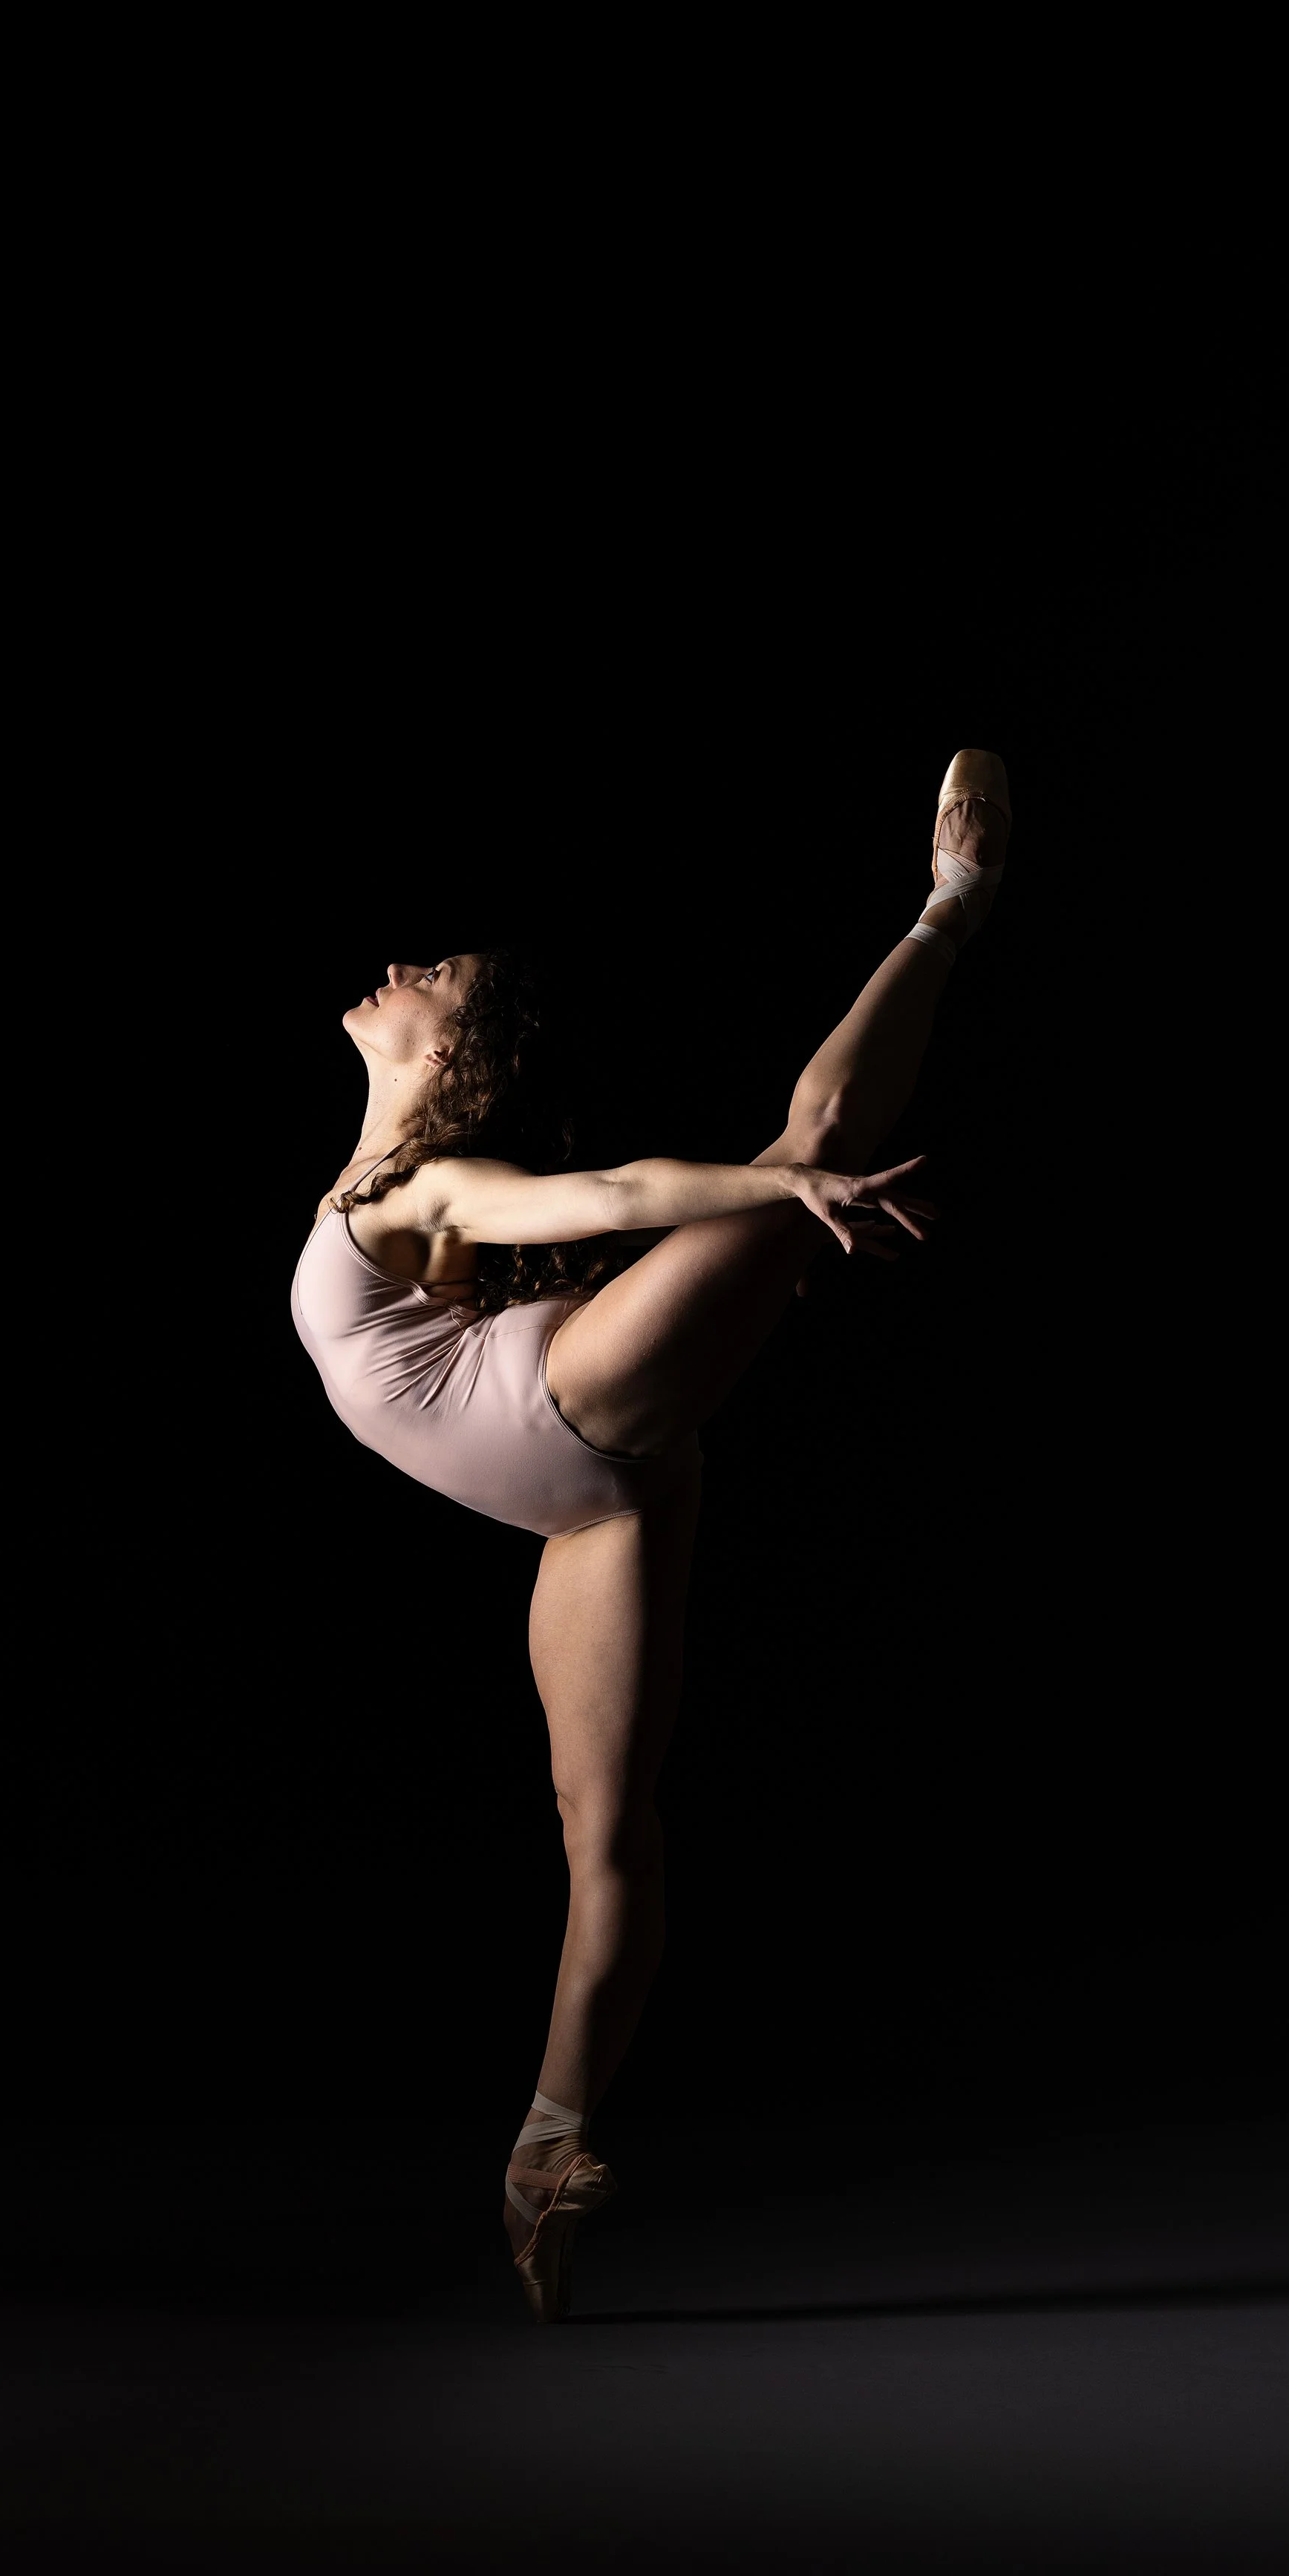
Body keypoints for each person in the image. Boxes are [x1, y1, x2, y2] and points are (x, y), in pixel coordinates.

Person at [291, 752, 1011, 2319]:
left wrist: (775, 1193)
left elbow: (612, 1191)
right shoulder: (386, 1179)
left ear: (454, 1039)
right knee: (601, 1835)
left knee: (788, 1156)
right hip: (593, 1492)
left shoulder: (431, 1187)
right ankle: (547, 2150)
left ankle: (950, 905)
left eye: (440, 971)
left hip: (563, 1406)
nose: (403, 967)